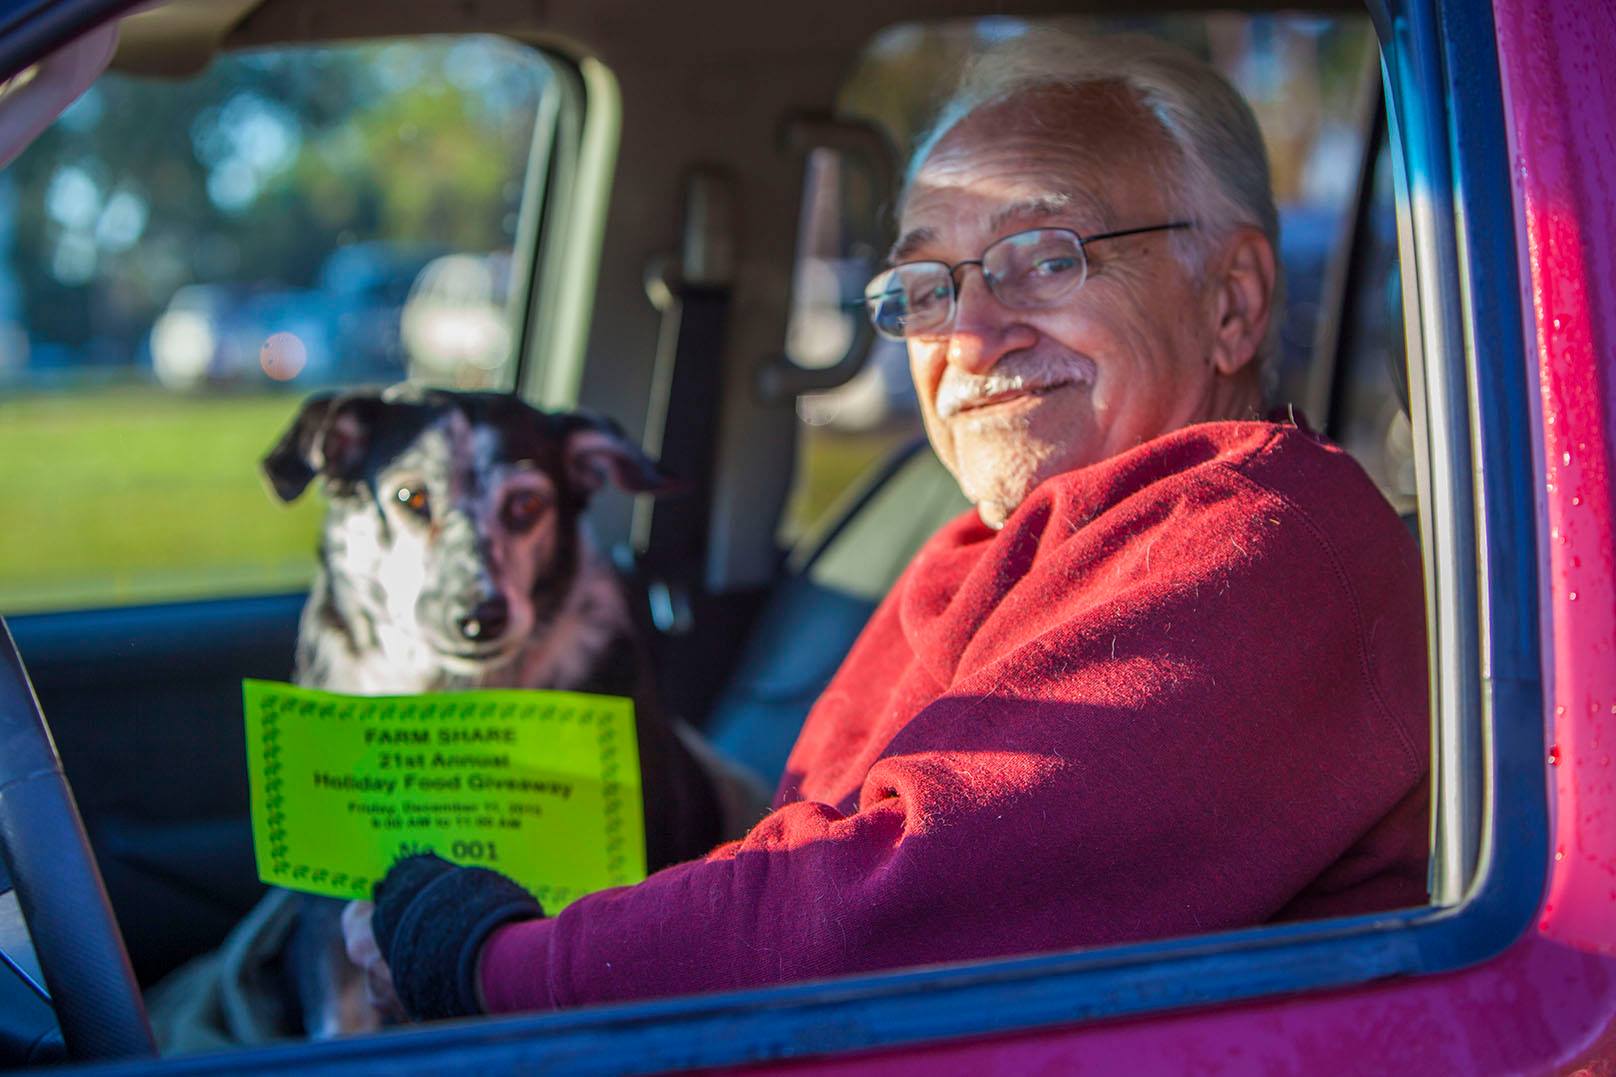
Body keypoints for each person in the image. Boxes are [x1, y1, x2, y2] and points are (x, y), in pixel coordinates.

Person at [343, 29, 1430, 1020]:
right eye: (923, 286)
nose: (969, 335)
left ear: (1231, 301)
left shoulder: (1262, 545)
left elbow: (887, 905)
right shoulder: (978, 549)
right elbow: (799, 860)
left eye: (1044, 257)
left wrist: (494, 963)